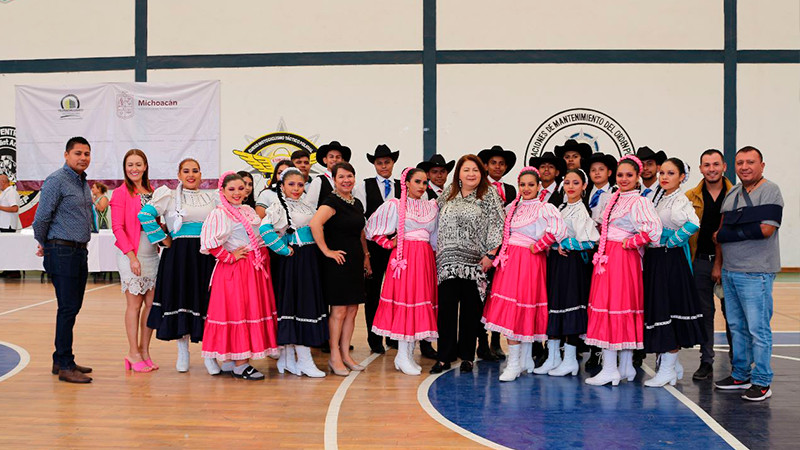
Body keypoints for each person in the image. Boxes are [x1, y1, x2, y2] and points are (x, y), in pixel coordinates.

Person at [482, 166, 567, 381]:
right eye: (522, 185)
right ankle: (519, 360)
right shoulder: (513, 207)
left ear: (539, 186)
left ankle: (519, 361)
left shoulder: (544, 208)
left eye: (531, 184)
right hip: (510, 262)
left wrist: (539, 246)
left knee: (522, 308)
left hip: (529, 262)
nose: (526, 188)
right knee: (512, 310)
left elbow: (559, 230)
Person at [584, 155, 662, 386]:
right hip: (610, 257)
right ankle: (625, 366)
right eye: (620, 175)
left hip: (621, 258)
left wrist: (630, 242)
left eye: (629, 175)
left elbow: (653, 230)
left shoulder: (639, 201)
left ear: (638, 177)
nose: (624, 179)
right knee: (619, 305)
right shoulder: (614, 198)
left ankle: (610, 369)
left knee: (614, 305)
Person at [714, 146, 783, 402]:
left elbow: (765, 230)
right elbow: (720, 234)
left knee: (758, 329)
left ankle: (762, 381)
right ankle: (740, 374)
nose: (745, 167)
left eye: (750, 162)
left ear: (761, 165)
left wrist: (731, 231)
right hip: (731, 272)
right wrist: (718, 265)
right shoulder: (732, 193)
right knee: (736, 327)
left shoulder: (770, 190)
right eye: (740, 162)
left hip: (757, 273)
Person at [139, 158, 219, 374]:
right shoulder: (170, 195)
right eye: (186, 171)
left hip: (205, 256)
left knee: (206, 303)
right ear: (179, 175)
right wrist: (162, 238)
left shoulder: (211, 198)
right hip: (179, 257)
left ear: (201, 174)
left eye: (195, 170)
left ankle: (209, 355)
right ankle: (182, 352)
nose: (191, 175)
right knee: (182, 299)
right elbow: (145, 215)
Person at [200, 171, 279, 380]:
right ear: (223, 191)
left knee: (244, 310)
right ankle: (240, 364)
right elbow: (210, 243)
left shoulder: (247, 210)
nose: (237, 193)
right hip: (235, 271)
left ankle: (232, 359)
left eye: (240, 188)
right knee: (237, 312)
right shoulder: (219, 213)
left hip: (251, 269)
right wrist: (230, 257)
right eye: (231, 189)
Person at [431, 155, 504, 374]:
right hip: (447, 263)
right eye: (466, 170)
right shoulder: (448, 193)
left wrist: (491, 254)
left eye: (475, 170)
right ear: (459, 174)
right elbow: (434, 218)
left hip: (475, 263)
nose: (471, 174)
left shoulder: (489, 193)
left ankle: (467, 356)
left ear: (481, 173)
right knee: (446, 311)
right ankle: (444, 356)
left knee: (471, 312)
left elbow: (498, 223)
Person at [32, 136, 94, 383]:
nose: (83, 158)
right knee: (67, 308)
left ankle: (60, 359)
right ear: (66, 155)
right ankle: (66, 365)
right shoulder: (56, 180)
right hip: (62, 251)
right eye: (78, 153)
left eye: (87, 153)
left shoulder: (82, 182)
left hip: (79, 251)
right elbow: (41, 218)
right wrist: (44, 244)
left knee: (73, 307)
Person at [365, 167, 439, 375]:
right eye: (417, 181)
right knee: (406, 302)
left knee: (419, 303)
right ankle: (402, 355)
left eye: (425, 183)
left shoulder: (432, 206)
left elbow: (434, 238)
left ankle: (407, 354)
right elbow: (372, 230)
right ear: (406, 183)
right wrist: (390, 244)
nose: (422, 186)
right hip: (405, 259)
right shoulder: (395, 205)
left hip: (424, 259)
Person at [259, 167, 329, 378]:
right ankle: (304, 360)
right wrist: (283, 249)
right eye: (291, 184)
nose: (296, 188)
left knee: (300, 304)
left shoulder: (306, 205)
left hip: (308, 259)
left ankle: (288, 359)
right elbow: (264, 229)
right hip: (293, 261)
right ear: (282, 186)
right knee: (297, 306)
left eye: (300, 184)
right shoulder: (278, 206)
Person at [642, 158, 705, 387]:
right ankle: (672, 364)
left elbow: (693, 223)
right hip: (657, 260)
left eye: (670, 173)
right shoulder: (659, 197)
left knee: (668, 308)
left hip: (670, 261)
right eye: (661, 173)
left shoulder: (680, 199)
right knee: (660, 308)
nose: (664, 177)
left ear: (681, 177)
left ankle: (667, 367)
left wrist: (672, 242)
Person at [310, 162, 371, 376]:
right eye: (342, 177)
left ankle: (346, 354)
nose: (347, 180)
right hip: (337, 262)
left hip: (354, 260)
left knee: (353, 310)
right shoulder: (331, 201)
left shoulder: (356, 203)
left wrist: (366, 257)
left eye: (350, 176)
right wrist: (326, 250)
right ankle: (334, 355)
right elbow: (315, 224)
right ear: (334, 180)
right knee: (339, 311)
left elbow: (361, 232)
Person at [686, 149, 734, 380]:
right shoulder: (690, 197)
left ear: (724, 166)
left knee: (732, 314)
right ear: (701, 168)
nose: (711, 169)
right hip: (700, 263)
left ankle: (738, 361)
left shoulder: (736, 195)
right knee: (704, 314)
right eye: (707, 165)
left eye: (716, 164)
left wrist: (722, 263)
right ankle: (706, 361)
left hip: (731, 265)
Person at [546, 169, 599, 377]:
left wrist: (570, 243)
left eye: (576, 182)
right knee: (556, 305)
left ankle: (570, 360)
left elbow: (590, 241)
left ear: (584, 186)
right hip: (558, 262)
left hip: (572, 264)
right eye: (567, 182)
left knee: (570, 306)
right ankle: (553, 358)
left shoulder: (581, 211)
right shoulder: (561, 207)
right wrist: (554, 245)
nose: (570, 186)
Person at [111, 149, 160, 373]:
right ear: (125, 167)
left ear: (145, 166)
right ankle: (132, 352)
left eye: (138, 164)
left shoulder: (152, 191)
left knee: (151, 305)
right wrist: (131, 256)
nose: (134, 169)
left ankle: (144, 351)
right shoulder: (120, 193)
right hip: (132, 254)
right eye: (130, 165)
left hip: (152, 254)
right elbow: (117, 228)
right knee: (135, 304)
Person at [354, 144, 402, 354]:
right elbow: (362, 219)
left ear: (393, 163)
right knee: (373, 293)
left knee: (396, 292)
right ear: (374, 164)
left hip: (397, 248)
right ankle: (374, 338)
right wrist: (365, 251)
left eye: (387, 162)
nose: (383, 166)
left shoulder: (403, 186)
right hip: (373, 247)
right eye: (379, 163)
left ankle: (393, 335)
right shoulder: (364, 187)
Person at [306, 141, 351, 208]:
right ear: (325, 160)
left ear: (342, 160)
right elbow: (309, 206)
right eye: (331, 157)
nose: (334, 159)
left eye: (338, 157)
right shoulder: (318, 181)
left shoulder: (348, 182)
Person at [0, 174, 21, 278]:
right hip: (3, 224)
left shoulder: (11, 192)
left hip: (7, 225)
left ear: (3, 181)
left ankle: (14, 271)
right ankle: (8, 270)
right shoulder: (5, 192)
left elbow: (14, 208)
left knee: (10, 249)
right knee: (6, 248)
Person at [587, 153, 617, 225]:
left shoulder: (616, 193)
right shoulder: (583, 193)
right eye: (593, 170)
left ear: (609, 173)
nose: (597, 173)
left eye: (601, 169)